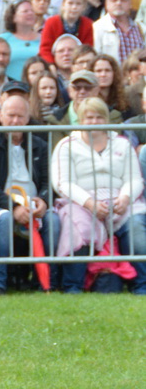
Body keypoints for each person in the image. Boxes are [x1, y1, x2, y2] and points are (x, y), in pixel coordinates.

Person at [52, 96, 146, 292]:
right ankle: (73, 286)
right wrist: (89, 203)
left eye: (99, 117)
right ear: (80, 120)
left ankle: (141, 286)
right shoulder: (66, 145)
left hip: (120, 199)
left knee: (136, 225)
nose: (94, 122)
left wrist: (125, 198)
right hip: (80, 201)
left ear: (107, 119)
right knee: (79, 226)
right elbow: (62, 182)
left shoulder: (122, 143)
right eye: (89, 117)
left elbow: (135, 179)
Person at [0, 90, 59, 293]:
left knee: (54, 220)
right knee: (5, 219)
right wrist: (14, 206)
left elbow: (48, 182)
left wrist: (43, 201)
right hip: (1, 204)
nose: (15, 120)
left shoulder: (40, 145)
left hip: (34, 203)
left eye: (20, 116)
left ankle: (44, 283)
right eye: (10, 115)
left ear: (27, 119)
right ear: (0, 116)